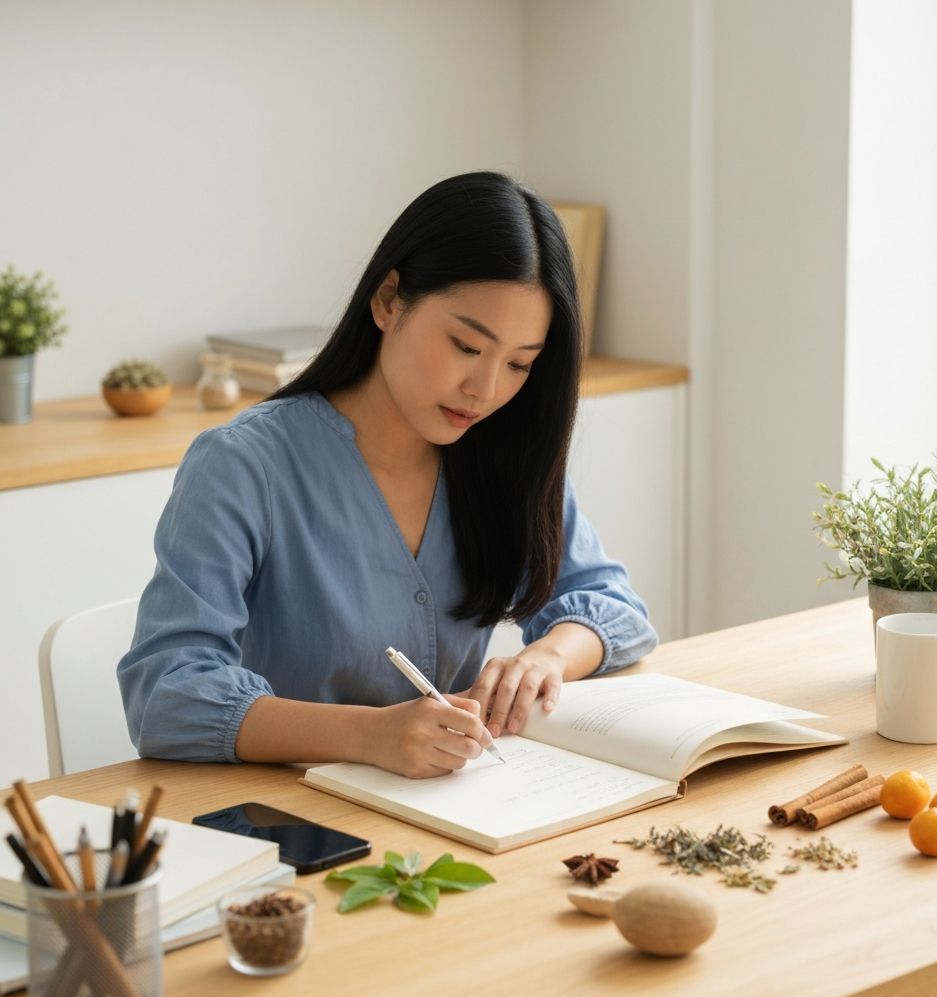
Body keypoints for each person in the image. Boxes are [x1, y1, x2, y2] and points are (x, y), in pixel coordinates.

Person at [118, 170, 658, 778]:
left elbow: (617, 609)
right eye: (466, 346)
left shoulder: (505, 454)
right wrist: (371, 734)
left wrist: (548, 657)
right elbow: (164, 694)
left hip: (448, 819)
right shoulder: (244, 464)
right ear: (388, 300)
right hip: (285, 824)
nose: (484, 390)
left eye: (518, 365)